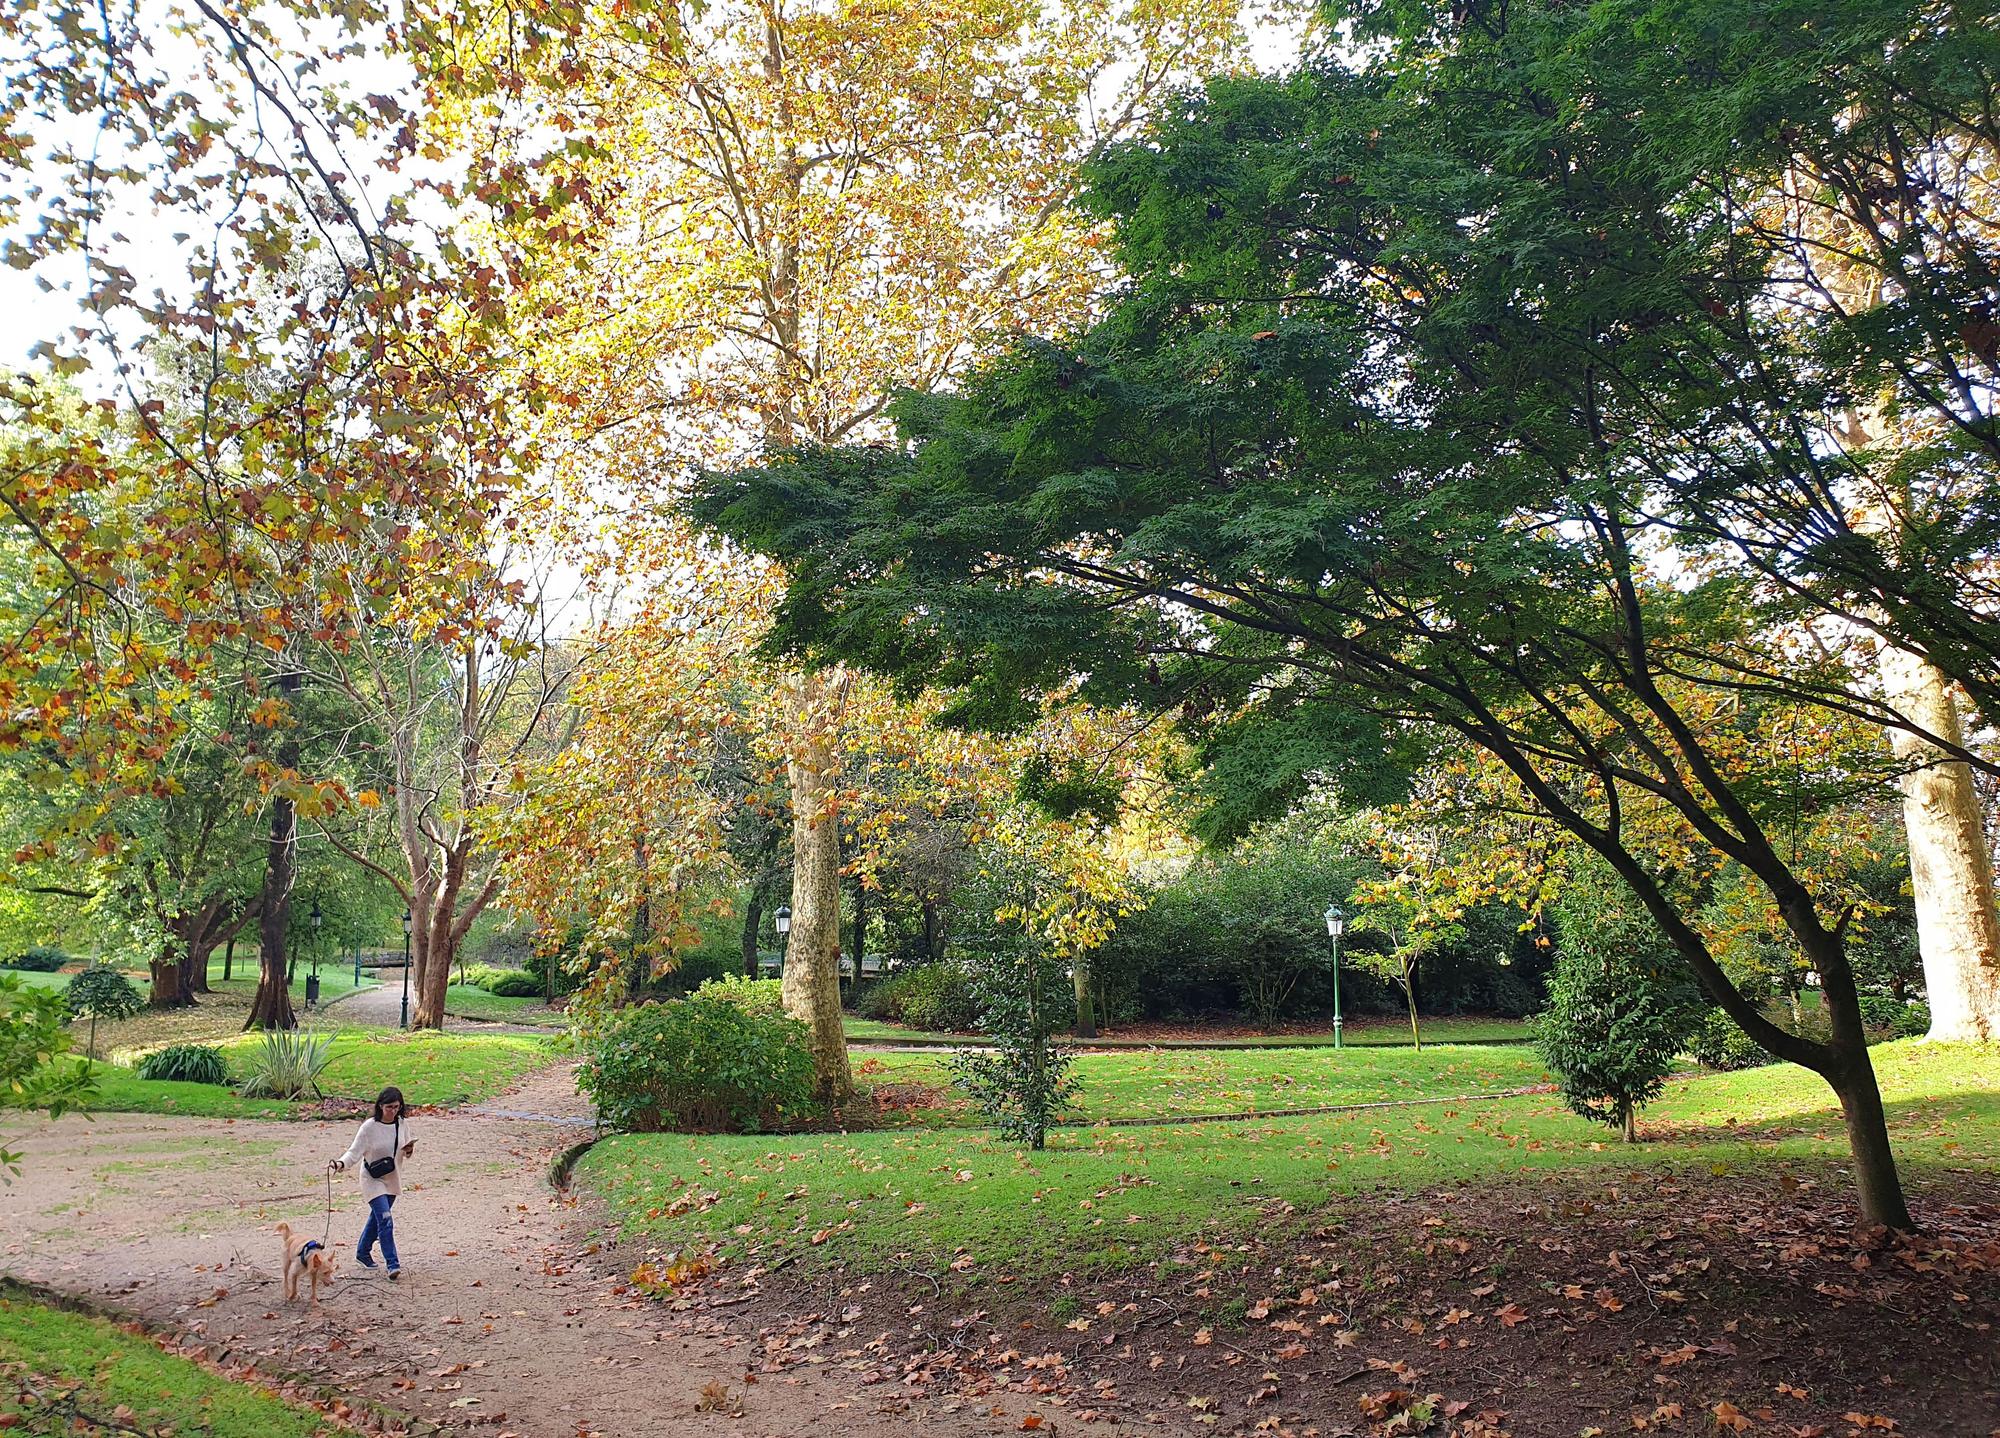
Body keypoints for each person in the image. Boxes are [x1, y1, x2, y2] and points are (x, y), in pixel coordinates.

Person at [331, 1085, 416, 1279]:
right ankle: (392, 1264)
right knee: (385, 1219)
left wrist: (409, 1150)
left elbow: (406, 1147)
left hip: (392, 1178)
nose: (393, 1111)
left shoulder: (402, 1123)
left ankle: (362, 1252)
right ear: (380, 1106)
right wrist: (341, 1163)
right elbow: (354, 1151)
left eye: (396, 1107)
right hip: (372, 1178)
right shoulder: (369, 1127)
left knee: (376, 1218)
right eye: (389, 1107)